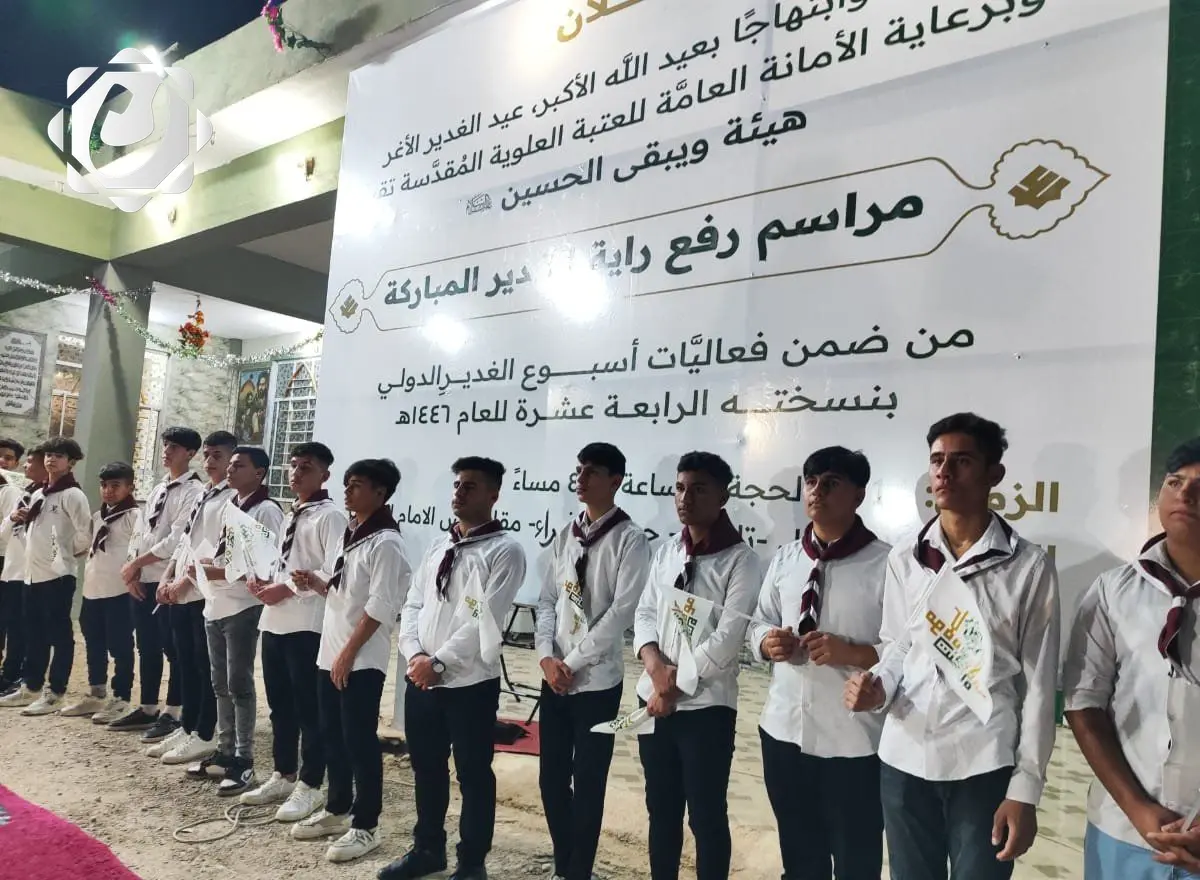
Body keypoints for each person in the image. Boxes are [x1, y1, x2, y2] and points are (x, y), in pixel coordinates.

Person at [844, 413, 1060, 880]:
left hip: (982, 762)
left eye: (961, 461)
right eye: (937, 460)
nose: (944, 472)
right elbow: (897, 646)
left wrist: (1025, 790)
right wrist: (878, 687)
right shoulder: (906, 556)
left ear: (993, 473)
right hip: (904, 757)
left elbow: (1040, 686)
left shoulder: (1027, 566)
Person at [382, 456, 527, 880]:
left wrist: (440, 662)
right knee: (427, 767)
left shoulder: (504, 551)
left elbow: (485, 619)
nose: (459, 492)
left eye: (471, 486)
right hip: (422, 679)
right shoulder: (439, 545)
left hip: (469, 684)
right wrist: (414, 654)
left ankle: (472, 861)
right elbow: (413, 603)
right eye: (457, 484)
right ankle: (428, 849)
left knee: (473, 773)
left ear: (493, 494)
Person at [749, 446, 890, 880]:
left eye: (831, 483)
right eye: (811, 482)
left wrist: (853, 653)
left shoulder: (888, 565)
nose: (817, 491)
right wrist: (766, 643)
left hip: (853, 743)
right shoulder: (787, 559)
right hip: (784, 733)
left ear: (858, 495)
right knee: (799, 858)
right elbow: (758, 621)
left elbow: (908, 650)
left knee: (855, 863)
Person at [1063, 437, 1200, 880]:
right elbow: (1083, 703)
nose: (1186, 495)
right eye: (1175, 482)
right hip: (1123, 831)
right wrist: (1138, 809)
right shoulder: (1112, 591)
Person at [633, 451, 762, 880]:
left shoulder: (741, 560)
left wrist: (674, 685)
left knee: (706, 816)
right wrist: (655, 668)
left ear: (723, 496)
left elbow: (727, 639)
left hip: (706, 707)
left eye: (699, 489)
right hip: (653, 701)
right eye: (680, 488)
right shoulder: (668, 551)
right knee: (661, 810)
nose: (685, 498)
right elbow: (645, 613)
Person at [535, 442, 650, 880]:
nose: (580, 478)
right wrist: (547, 658)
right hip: (555, 676)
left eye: (592, 472)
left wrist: (574, 661)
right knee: (550, 779)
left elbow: (622, 612)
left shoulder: (630, 539)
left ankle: (577, 870)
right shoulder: (566, 534)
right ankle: (565, 862)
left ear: (615, 480)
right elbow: (548, 600)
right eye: (579, 469)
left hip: (597, 681)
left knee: (588, 781)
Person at [289, 458, 412, 864]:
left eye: (356, 485)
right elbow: (347, 591)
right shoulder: (354, 532)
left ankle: (366, 824)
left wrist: (347, 653)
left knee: (359, 741)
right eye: (346, 484)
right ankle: (337, 808)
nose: (347, 491)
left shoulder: (386, 542)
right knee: (332, 735)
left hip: (360, 658)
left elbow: (380, 606)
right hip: (332, 651)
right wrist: (318, 583)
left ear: (380, 492)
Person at [241, 441, 347, 824]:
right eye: (294, 466)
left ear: (325, 474)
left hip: (307, 623)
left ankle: (311, 783)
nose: (297, 473)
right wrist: (263, 581)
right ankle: (283, 773)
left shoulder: (330, 517)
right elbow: (285, 562)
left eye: (307, 467)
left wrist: (284, 589)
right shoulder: (292, 513)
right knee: (280, 705)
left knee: (308, 709)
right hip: (275, 621)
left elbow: (332, 570)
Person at [192, 445, 284, 796]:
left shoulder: (266, 510)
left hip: (242, 607)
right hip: (215, 603)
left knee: (239, 683)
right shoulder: (232, 504)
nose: (229, 470)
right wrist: (207, 567)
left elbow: (264, 567)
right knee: (219, 683)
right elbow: (226, 553)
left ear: (259, 473)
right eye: (229, 465)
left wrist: (215, 570)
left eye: (238, 465)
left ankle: (244, 759)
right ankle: (225, 749)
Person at [150, 432, 236, 766]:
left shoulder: (231, 498)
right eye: (208, 454)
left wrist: (184, 582)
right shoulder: (204, 494)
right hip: (181, 590)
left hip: (203, 592)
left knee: (204, 666)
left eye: (218, 456)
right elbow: (185, 541)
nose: (210, 461)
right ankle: (187, 725)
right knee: (184, 661)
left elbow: (217, 550)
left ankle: (205, 732)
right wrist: (167, 576)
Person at [115, 426, 204, 738]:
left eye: (174, 447)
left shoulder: (194, 491)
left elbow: (176, 539)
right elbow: (140, 532)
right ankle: (148, 706)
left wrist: (138, 563)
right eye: (165, 445)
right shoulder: (158, 488)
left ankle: (173, 711)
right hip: (144, 576)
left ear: (190, 453)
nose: (166, 451)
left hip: (169, 580)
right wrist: (133, 568)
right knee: (147, 645)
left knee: (174, 648)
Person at [2, 436, 91, 715]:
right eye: (49, 455)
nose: (52, 459)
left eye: (59, 456)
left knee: (59, 634)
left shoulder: (72, 495)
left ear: (71, 462)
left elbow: (84, 534)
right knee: (34, 632)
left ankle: (56, 692)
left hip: (57, 576)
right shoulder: (40, 493)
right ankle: (31, 686)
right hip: (32, 575)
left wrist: (62, 556)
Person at [61, 462, 139, 722]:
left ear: (130, 487)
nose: (108, 490)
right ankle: (96, 693)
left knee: (120, 646)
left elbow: (138, 553)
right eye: (104, 485)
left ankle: (121, 698)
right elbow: (85, 548)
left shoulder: (134, 517)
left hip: (119, 592)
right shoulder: (98, 517)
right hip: (93, 591)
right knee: (93, 643)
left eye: (116, 485)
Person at [0, 439, 32, 695]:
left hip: (3, 559)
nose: (2, 461)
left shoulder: (10, 491)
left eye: (8, 458)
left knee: (6, 618)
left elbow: (6, 532)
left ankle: (10, 673)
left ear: (16, 464)